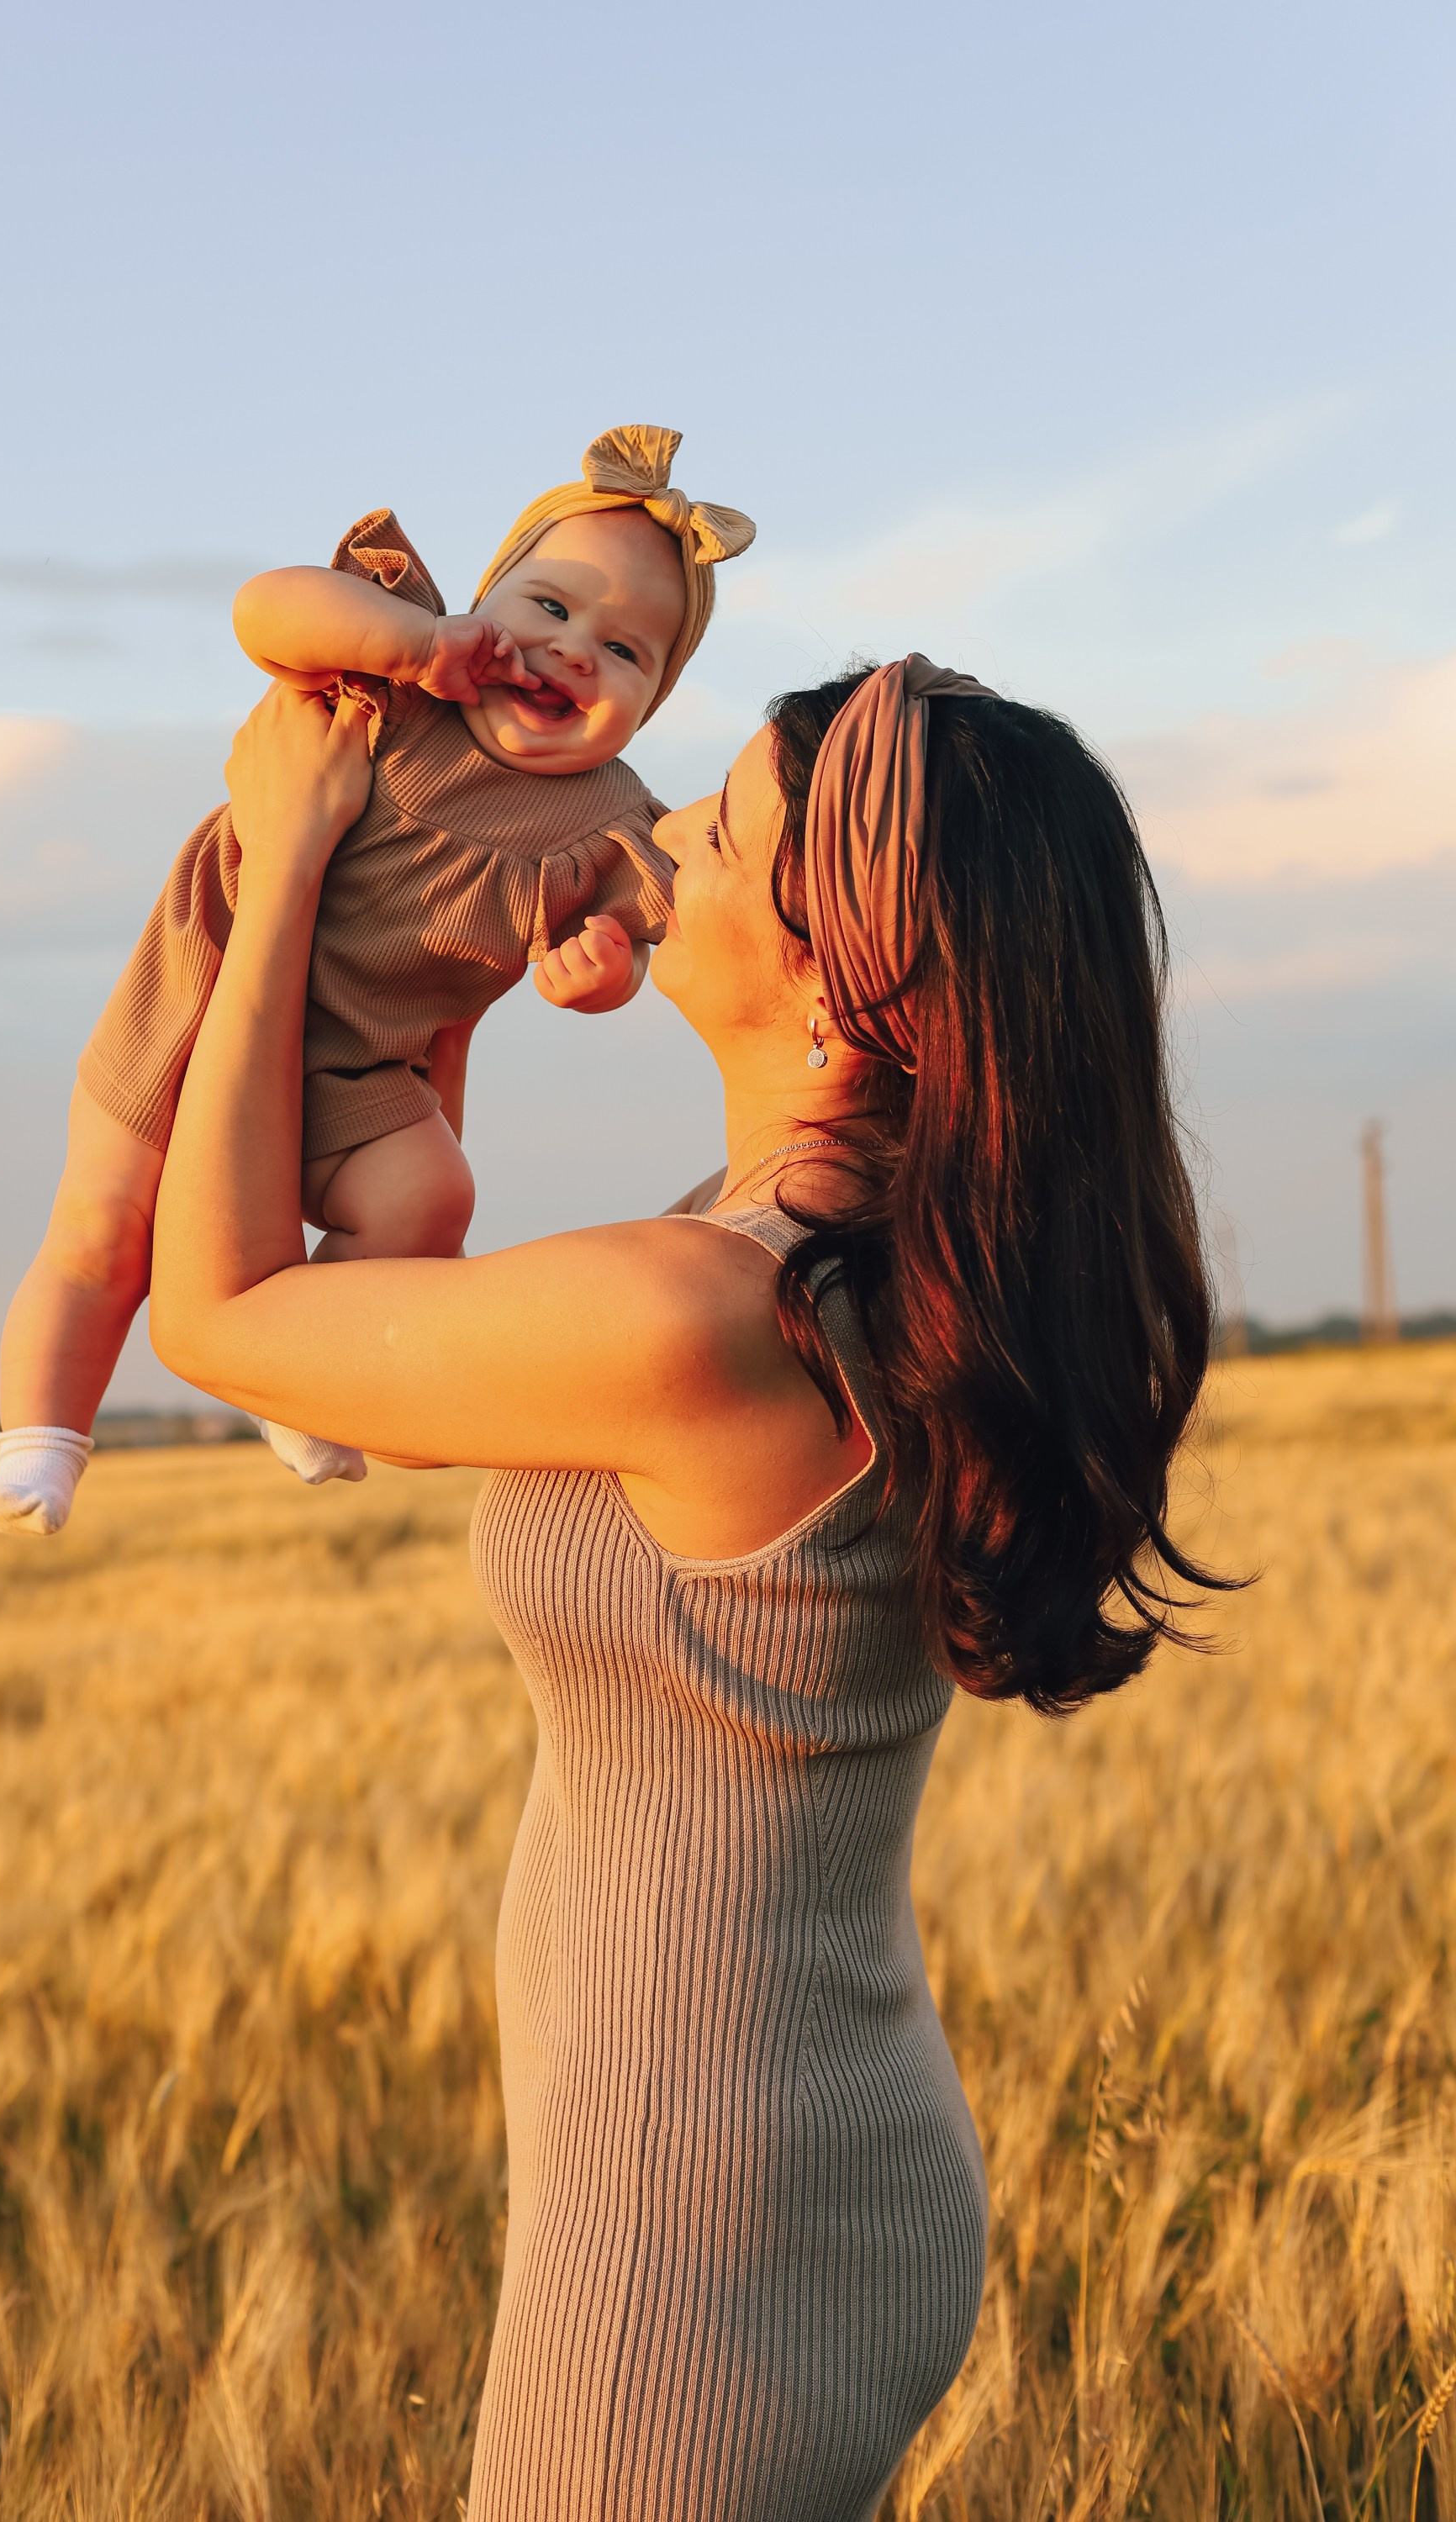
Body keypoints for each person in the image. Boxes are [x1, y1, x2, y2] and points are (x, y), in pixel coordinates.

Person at [147, 653, 1225, 2519]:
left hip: (690, 2224)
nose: (654, 834)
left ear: (843, 971)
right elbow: (405, 1383)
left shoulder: (700, 1317)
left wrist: (292, 861)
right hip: (811, 2150)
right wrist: (439, 980)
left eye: (718, 828)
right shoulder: (852, 1269)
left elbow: (222, 1314)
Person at [0, 425, 754, 1531]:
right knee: (106, 1223)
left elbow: (645, 936)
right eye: (548, 606)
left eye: (626, 652)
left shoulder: (612, 827)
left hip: (359, 1058)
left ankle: (307, 1365)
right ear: (482, 602)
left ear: (654, 703)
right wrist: (416, 639)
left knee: (430, 1193)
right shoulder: (396, 681)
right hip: (202, 988)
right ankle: (41, 1443)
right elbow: (265, 608)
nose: (575, 648)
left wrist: (599, 976)